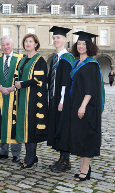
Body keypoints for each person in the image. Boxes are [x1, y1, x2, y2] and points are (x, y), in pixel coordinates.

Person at [60, 31, 103, 181]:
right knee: (80, 138)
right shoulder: (77, 63)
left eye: (84, 44)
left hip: (87, 108)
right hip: (77, 106)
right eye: (79, 43)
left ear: (90, 46)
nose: (81, 46)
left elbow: (90, 89)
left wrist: (83, 106)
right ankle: (82, 169)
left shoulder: (91, 65)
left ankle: (85, 171)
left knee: (87, 139)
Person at [14, 33, 48, 169]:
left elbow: (38, 78)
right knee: (25, 128)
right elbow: (17, 75)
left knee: (31, 128)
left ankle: (31, 157)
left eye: (30, 41)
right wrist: (16, 83)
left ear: (36, 44)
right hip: (22, 97)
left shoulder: (39, 60)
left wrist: (22, 84)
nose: (28, 44)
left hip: (34, 99)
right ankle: (30, 156)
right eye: (26, 41)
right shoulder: (22, 59)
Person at [47, 26, 75, 173]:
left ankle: (66, 161)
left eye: (58, 38)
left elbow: (66, 82)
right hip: (54, 98)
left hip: (63, 100)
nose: (56, 40)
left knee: (64, 129)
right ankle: (61, 159)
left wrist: (62, 101)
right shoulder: (55, 59)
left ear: (65, 39)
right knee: (58, 127)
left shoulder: (67, 58)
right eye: (54, 38)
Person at [0, 35, 22, 163]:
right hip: (1, 98)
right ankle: (3, 151)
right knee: (2, 123)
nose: (6, 47)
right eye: (3, 45)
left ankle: (16, 153)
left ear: (13, 45)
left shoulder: (21, 59)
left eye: (8, 44)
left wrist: (12, 88)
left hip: (16, 97)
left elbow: (23, 77)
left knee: (15, 124)